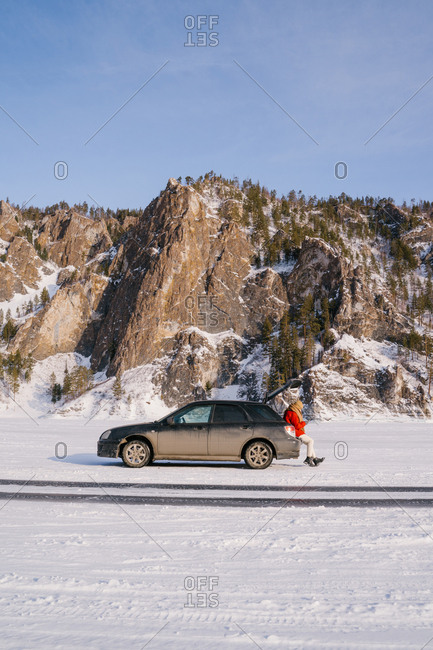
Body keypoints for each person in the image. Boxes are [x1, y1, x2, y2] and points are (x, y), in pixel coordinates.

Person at [284, 400, 324, 467]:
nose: (300, 409)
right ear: (297, 407)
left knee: (309, 443)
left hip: (292, 431)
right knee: (311, 441)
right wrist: (304, 423)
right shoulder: (293, 413)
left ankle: (315, 459)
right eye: (300, 408)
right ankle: (308, 458)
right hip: (295, 432)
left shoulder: (288, 411)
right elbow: (297, 426)